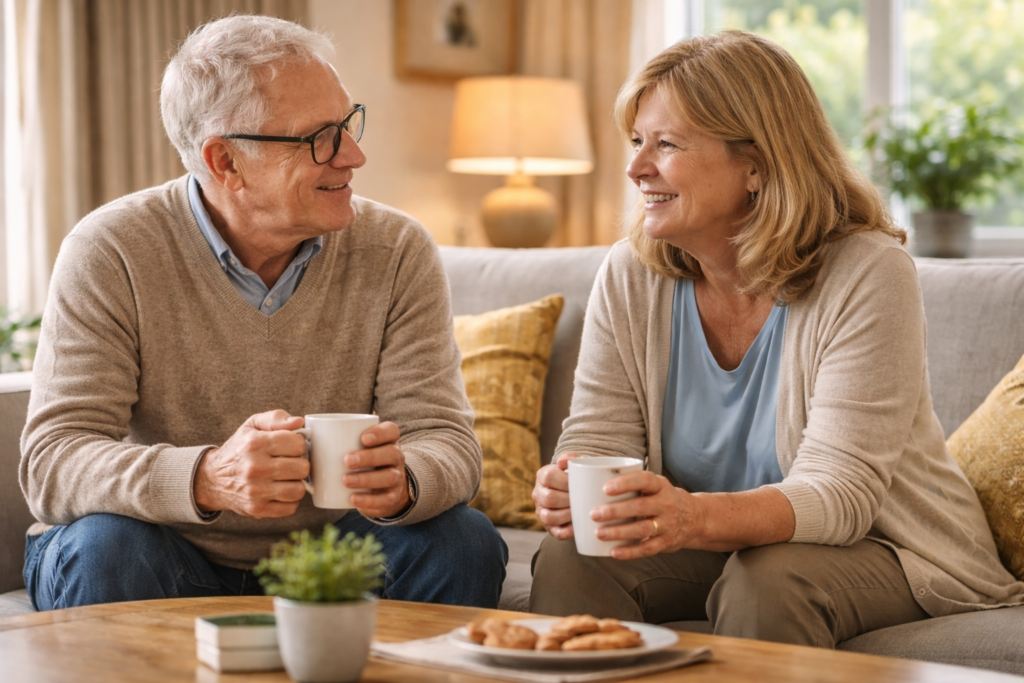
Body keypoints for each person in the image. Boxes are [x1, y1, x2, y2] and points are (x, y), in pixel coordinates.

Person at [529, 30, 1024, 647]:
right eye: (636, 141)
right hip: (711, 540)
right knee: (574, 557)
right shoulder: (632, 273)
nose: (635, 168)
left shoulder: (868, 274)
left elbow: (840, 496)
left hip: (887, 546)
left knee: (768, 578)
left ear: (757, 164)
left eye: (667, 144)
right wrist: (571, 484)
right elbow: (598, 436)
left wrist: (692, 517)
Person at [20, 15, 506, 611]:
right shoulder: (111, 248)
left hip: (330, 557)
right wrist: (206, 477)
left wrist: (406, 482)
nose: (353, 154)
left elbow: (446, 439)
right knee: (104, 547)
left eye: (348, 124)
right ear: (225, 161)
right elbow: (54, 461)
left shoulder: (397, 249)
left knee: (461, 541)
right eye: (320, 137)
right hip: (161, 548)